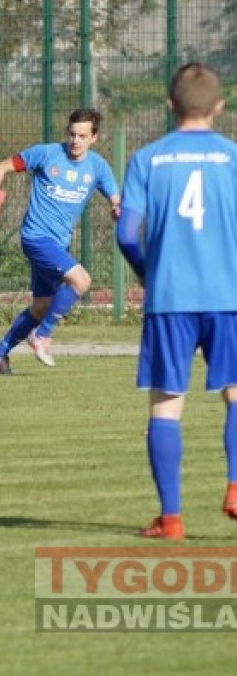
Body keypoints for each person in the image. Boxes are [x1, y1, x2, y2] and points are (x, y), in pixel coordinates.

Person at [116, 62, 237, 541]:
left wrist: (150, 272)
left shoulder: (148, 159)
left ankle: (171, 519)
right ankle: (235, 486)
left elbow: (127, 234)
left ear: (170, 105)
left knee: (167, 403)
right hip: (230, 296)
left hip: (170, 299)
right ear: (219, 107)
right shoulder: (233, 158)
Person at [0, 108, 121, 373]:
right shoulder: (46, 154)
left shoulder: (98, 167)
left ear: (94, 138)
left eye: (82, 136)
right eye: (72, 134)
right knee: (82, 280)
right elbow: (2, 167)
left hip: (57, 244)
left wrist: (116, 209)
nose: (75, 141)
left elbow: (115, 198)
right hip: (35, 237)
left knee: (42, 306)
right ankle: (41, 336)